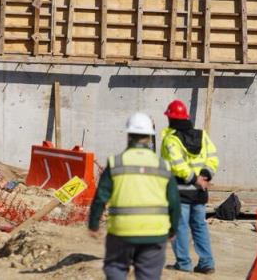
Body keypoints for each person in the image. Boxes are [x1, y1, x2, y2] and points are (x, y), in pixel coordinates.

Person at [88, 112, 181, 280]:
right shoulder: (163, 166)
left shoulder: (116, 163)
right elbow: (174, 202)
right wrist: (173, 229)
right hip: (155, 232)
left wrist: (93, 224)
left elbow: (101, 197)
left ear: (128, 135)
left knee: (115, 270)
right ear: (150, 136)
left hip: (121, 231)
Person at [160, 99, 219, 275]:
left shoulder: (171, 139)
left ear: (170, 118)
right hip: (199, 192)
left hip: (180, 192)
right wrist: (204, 177)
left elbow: (177, 164)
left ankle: (184, 263)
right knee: (199, 226)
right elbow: (212, 158)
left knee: (180, 227)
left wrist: (194, 179)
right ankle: (206, 263)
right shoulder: (202, 135)